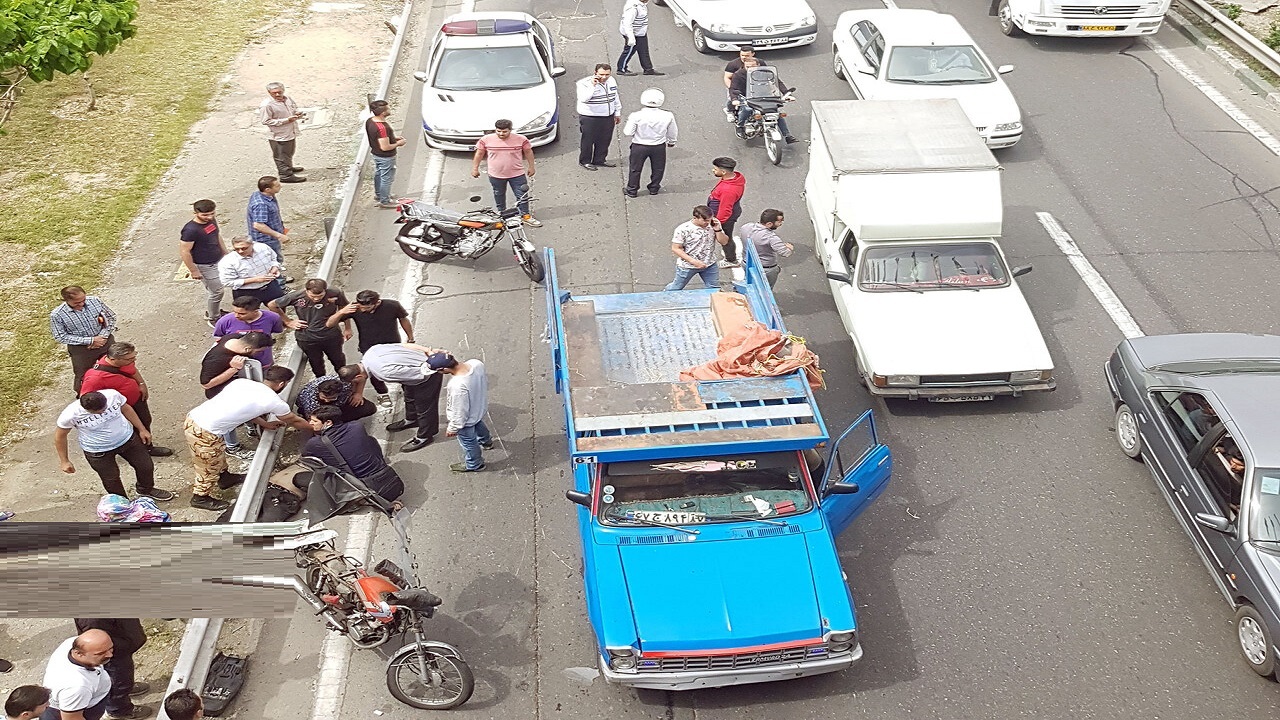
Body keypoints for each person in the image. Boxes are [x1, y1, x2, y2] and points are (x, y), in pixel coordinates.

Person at [184, 367, 311, 511]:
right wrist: (314, 429)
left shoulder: (242, 383)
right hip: (205, 431)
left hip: (196, 418)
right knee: (208, 465)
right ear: (282, 384)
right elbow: (295, 421)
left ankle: (225, 478)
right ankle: (200, 497)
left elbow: (245, 410)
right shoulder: (274, 401)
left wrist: (264, 424)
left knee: (217, 454)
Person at [54, 390, 176, 502]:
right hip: (98, 451)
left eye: (105, 408)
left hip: (127, 439)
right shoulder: (70, 414)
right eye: (98, 412)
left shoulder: (113, 395)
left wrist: (142, 429)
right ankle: (123, 503)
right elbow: (60, 436)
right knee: (111, 479)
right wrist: (64, 461)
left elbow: (126, 409)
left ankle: (146, 490)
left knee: (145, 466)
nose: (103, 411)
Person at [339, 342, 447, 453]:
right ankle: (412, 419)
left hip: (426, 373)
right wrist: (428, 350)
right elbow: (405, 345)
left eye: (355, 382)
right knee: (409, 397)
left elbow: (420, 374)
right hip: (415, 367)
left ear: (358, 376)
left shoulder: (383, 372)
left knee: (424, 406)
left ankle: (425, 436)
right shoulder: (371, 351)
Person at [79, 342, 173, 457]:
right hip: (122, 407)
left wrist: (141, 384)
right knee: (125, 430)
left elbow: (133, 370)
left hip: (137, 400)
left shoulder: (125, 362)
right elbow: (86, 397)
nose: (133, 361)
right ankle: (136, 451)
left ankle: (147, 447)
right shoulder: (94, 378)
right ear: (114, 359)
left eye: (134, 356)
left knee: (145, 421)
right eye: (129, 359)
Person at [300, 405, 404, 502]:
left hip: (361, 484)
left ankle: (355, 500)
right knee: (370, 440)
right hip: (381, 472)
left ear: (328, 422)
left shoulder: (315, 443)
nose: (310, 423)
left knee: (299, 478)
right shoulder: (357, 426)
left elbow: (306, 458)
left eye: (314, 421)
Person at [199, 330, 273, 460]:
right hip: (220, 394)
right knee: (229, 421)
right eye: (258, 351)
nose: (258, 354)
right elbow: (206, 384)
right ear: (247, 348)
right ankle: (232, 447)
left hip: (238, 388)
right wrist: (233, 369)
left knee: (245, 410)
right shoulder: (216, 359)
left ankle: (251, 427)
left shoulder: (235, 338)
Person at [329, 290, 414, 402]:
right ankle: (382, 393)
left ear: (377, 303)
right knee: (374, 372)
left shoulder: (392, 305)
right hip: (368, 346)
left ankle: (408, 391)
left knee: (401, 368)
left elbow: (403, 319)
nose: (363, 310)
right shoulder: (355, 308)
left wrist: (410, 337)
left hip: (392, 345)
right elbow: (329, 323)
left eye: (367, 308)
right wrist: (341, 312)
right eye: (361, 307)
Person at [269, 279, 351, 378]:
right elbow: (272, 305)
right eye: (313, 296)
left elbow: (344, 308)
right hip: (307, 338)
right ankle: (321, 382)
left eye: (320, 296)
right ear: (306, 291)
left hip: (332, 336)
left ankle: (344, 381)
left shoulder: (335, 293)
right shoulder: (296, 296)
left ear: (325, 290)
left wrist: (348, 328)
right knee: (316, 364)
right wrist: (288, 321)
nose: (316, 299)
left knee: (339, 360)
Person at [71, 620, 148, 720]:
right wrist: (113, 648)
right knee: (117, 679)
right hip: (113, 651)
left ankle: (125, 690)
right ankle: (119, 710)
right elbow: (94, 636)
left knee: (123, 675)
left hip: (121, 643)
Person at [471, 119, 542, 228]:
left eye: (504, 132)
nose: (501, 134)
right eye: (498, 131)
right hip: (496, 175)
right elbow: (479, 153)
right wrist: (475, 168)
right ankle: (502, 214)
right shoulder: (486, 140)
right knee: (498, 194)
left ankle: (525, 216)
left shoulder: (521, 139)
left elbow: (528, 152)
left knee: (522, 195)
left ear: (510, 130)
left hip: (517, 174)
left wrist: (531, 167)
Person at [430, 353, 492, 473]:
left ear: (444, 369)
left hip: (466, 420)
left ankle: (474, 464)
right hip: (478, 408)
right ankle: (486, 442)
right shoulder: (476, 363)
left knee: (469, 443)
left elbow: (459, 411)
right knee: (478, 424)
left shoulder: (457, 386)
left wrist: (453, 428)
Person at [50, 287, 117, 395]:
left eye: (83, 300)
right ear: (66, 300)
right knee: (83, 376)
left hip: (105, 342)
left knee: (116, 366)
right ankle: (85, 398)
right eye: (77, 303)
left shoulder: (95, 301)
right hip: (82, 349)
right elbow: (60, 336)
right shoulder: (57, 315)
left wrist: (103, 337)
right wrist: (90, 341)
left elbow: (111, 317)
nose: (81, 304)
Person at [40, 629, 113, 720]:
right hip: (77, 710)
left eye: (110, 649)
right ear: (78, 653)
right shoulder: (77, 687)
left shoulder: (71, 643)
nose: (110, 655)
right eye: (101, 653)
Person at [178, 200, 227, 326]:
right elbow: (185, 251)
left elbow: (217, 236)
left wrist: (225, 252)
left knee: (216, 289)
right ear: (195, 212)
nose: (209, 217)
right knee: (217, 291)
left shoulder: (211, 221)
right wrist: (194, 270)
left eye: (212, 213)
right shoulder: (190, 230)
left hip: (217, 260)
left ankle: (214, 312)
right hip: (205, 265)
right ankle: (213, 317)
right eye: (205, 215)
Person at [623, 88, 677, 197]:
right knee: (658, 168)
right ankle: (654, 188)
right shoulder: (668, 115)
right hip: (658, 146)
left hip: (639, 145)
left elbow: (628, 132)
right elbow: (672, 131)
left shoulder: (636, 115)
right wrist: (672, 141)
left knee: (635, 169)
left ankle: (632, 189)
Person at [729, 59, 796, 144]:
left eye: (753, 66)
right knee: (747, 109)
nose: (750, 68)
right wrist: (734, 99)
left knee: (776, 112)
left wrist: (787, 94)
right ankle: (740, 126)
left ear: (758, 65)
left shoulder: (765, 73)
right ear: (744, 65)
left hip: (764, 95)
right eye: (748, 66)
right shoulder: (738, 75)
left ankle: (787, 135)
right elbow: (733, 88)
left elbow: (777, 82)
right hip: (746, 96)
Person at [665, 205, 729, 291]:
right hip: (687, 266)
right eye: (705, 220)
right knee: (676, 288)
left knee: (714, 288)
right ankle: (665, 297)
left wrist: (718, 230)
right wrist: (694, 262)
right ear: (695, 218)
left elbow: (724, 242)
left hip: (709, 264)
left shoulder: (713, 224)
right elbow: (676, 248)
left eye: (710, 219)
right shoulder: (683, 229)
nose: (708, 223)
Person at [212, 296, 284, 367]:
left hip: (264, 362)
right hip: (235, 364)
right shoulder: (224, 321)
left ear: (255, 311)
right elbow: (219, 339)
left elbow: (276, 331)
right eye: (235, 312)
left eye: (242, 314)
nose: (236, 316)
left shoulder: (273, 318)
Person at [576, 63, 621, 171]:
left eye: (607, 74)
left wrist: (617, 112)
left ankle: (599, 159)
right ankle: (585, 161)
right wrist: (593, 85)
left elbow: (615, 96)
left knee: (605, 139)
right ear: (595, 73)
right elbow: (584, 98)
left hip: (607, 115)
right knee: (588, 140)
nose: (604, 77)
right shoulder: (584, 83)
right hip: (590, 117)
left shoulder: (611, 81)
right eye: (601, 74)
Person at [259, 82, 306, 183]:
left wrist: (296, 113)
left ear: (283, 90)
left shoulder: (287, 99)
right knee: (281, 155)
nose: (277, 95)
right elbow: (265, 121)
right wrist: (286, 120)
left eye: (279, 92)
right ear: (269, 93)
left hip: (289, 131)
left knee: (289, 152)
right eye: (274, 93)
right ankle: (285, 175)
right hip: (278, 134)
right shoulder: (267, 105)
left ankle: (288, 167)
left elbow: (293, 108)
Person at [217, 237, 284, 304]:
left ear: (252, 244)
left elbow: (274, 259)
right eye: (236, 249)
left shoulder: (263, 248)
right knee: (247, 313)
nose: (240, 251)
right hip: (246, 292)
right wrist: (254, 280)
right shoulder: (227, 261)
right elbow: (227, 282)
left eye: (244, 248)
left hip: (270, 286)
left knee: (279, 308)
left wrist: (275, 267)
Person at [365, 99, 406, 208]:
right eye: (388, 108)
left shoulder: (370, 121)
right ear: (383, 112)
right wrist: (398, 143)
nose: (390, 109)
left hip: (376, 154)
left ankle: (380, 194)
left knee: (379, 174)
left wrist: (392, 138)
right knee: (386, 178)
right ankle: (385, 201)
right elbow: (385, 147)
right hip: (386, 157)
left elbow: (378, 138)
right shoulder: (382, 127)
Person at [706, 157, 746, 266]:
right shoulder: (734, 179)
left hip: (724, 217)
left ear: (723, 172)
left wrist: (717, 223)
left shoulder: (728, 190)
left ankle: (731, 259)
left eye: (715, 169)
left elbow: (725, 209)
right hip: (729, 210)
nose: (713, 170)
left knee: (726, 237)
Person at [740, 209, 793, 287]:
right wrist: (789, 248)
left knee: (750, 285)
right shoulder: (771, 237)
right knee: (766, 290)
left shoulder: (746, 227)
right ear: (769, 224)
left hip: (747, 263)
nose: (781, 224)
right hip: (766, 269)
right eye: (779, 222)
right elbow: (785, 253)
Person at [295, 375, 376, 424]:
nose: (327, 401)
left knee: (368, 408)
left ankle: (340, 421)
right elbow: (313, 420)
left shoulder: (345, 381)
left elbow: (361, 378)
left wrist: (358, 393)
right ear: (318, 391)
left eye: (331, 398)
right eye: (324, 397)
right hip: (319, 408)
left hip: (341, 403)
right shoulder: (311, 403)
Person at [246, 176, 291, 265]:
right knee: (274, 260)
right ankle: (278, 278)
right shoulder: (261, 204)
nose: (280, 186)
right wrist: (279, 235)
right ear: (267, 189)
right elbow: (258, 225)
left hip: (271, 235)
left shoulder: (261, 195)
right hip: (266, 239)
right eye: (277, 186)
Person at [617, 0, 663, 77]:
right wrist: (631, 37)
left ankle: (648, 69)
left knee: (643, 50)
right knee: (629, 51)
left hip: (640, 32)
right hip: (632, 33)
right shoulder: (633, 8)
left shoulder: (641, 4)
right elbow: (627, 24)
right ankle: (621, 69)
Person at [722, 45, 767, 118]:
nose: (744, 57)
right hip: (737, 84)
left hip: (754, 84)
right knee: (731, 98)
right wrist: (732, 88)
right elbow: (727, 77)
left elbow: (765, 74)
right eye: (742, 55)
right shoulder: (733, 64)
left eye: (747, 55)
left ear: (753, 54)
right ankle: (729, 111)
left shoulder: (759, 62)